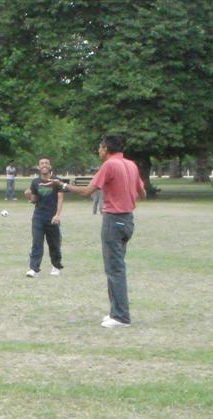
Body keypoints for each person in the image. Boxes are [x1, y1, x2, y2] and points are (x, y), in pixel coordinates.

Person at [54, 135, 145, 327]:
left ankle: (121, 316)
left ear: (106, 149)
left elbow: (88, 191)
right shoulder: (131, 165)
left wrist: (61, 185)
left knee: (115, 269)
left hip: (113, 221)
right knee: (116, 266)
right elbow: (142, 193)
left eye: (99, 148)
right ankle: (115, 311)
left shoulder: (109, 165)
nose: (98, 151)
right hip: (128, 221)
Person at [23, 157, 63, 277]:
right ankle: (33, 268)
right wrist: (28, 196)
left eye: (47, 163)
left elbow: (60, 199)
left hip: (52, 217)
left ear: (50, 166)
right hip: (38, 217)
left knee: (54, 243)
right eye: (42, 163)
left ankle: (56, 266)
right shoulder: (35, 182)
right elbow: (35, 200)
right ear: (39, 167)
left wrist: (57, 215)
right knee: (36, 243)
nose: (44, 165)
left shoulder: (56, 181)